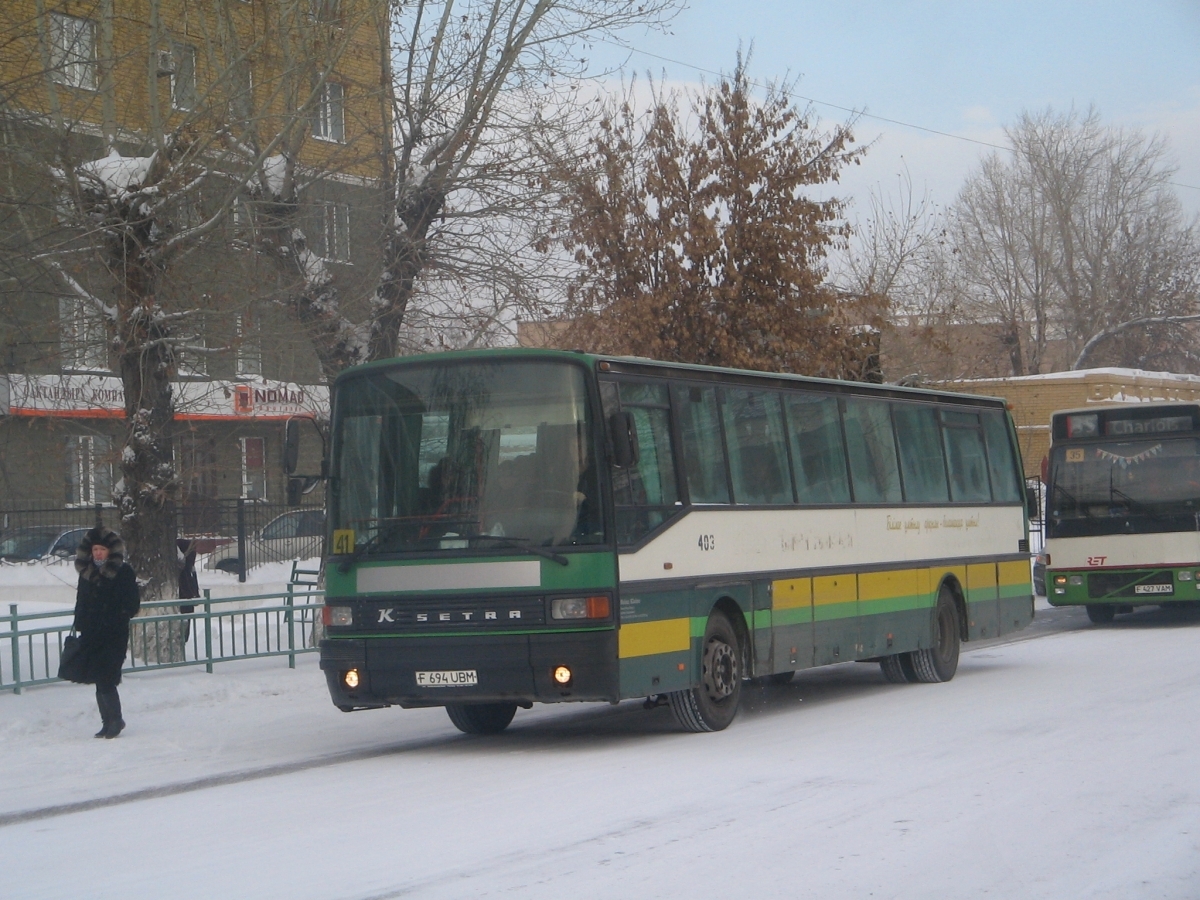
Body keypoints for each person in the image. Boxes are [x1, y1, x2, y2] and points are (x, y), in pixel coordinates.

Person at [72, 527, 140, 739]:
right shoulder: (86, 573)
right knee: (99, 678)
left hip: (113, 634)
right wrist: (80, 622)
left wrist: (119, 616)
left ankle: (116, 720)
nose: (98, 553)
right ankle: (107, 721)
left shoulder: (123, 572)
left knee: (106, 677)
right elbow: (80, 601)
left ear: (110, 551)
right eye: (95, 549)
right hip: (92, 633)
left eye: (102, 549)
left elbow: (132, 602)